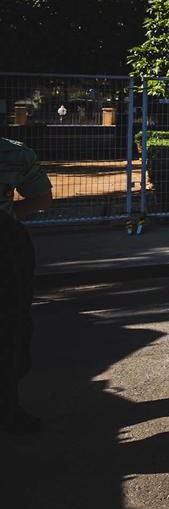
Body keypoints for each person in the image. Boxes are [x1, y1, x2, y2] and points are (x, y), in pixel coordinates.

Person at [1, 136, 53, 433]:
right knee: (11, 331)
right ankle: (8, 408)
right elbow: (42, 200)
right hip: (5, 248)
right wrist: (8, 216)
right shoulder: (13, 153)